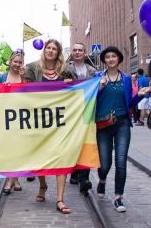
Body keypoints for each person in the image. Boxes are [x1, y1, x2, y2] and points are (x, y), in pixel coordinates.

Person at [25, 39, 75, 215]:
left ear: (58, 52)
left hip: (61, 121)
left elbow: (77, 92)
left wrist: (70, 84)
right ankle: (42, 185)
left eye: (55, 49)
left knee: (61, 157)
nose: (51, 51)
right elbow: (25, 91)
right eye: (49, 48)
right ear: (44, 50)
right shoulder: (32, 68)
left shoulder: (66, 70)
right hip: (39, 120)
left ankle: (60, 199)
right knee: (41, 156)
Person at [94, 46, 137, 213]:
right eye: (108, 57)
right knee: (104, 163)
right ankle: (102, 179)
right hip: (103, 124)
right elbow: (89, 99)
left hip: (122, 124)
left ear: (119, 59)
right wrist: (99, 88)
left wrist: (139, 95)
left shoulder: (126, 79)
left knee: (121, 161)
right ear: (104, 60)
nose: (111, 59)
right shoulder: (98, 77)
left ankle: (118, 197)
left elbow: (129, 104)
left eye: (114, 56)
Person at [66, 43, 96, 194]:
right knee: (74, 143)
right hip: (71, 114)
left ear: (85, 53)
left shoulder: (93, 71)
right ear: (72, 53)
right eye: (75, 50)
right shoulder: (65, 70)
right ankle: (74, 171)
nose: (77, 52)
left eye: (80, 50)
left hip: (87, 113)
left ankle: (84, 177)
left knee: (86, 143)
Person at [0, 49, 26, 195]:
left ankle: (10, 180)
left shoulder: (25, 76)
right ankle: (14, 179)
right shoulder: (2, 76)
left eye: (20, 62)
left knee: (17, 150)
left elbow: (30, 95)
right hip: (4, 118)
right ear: (10, 62)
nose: (17, 64)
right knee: (8, 150)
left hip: (20, 118)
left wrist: (24, 80)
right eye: (15, 61)